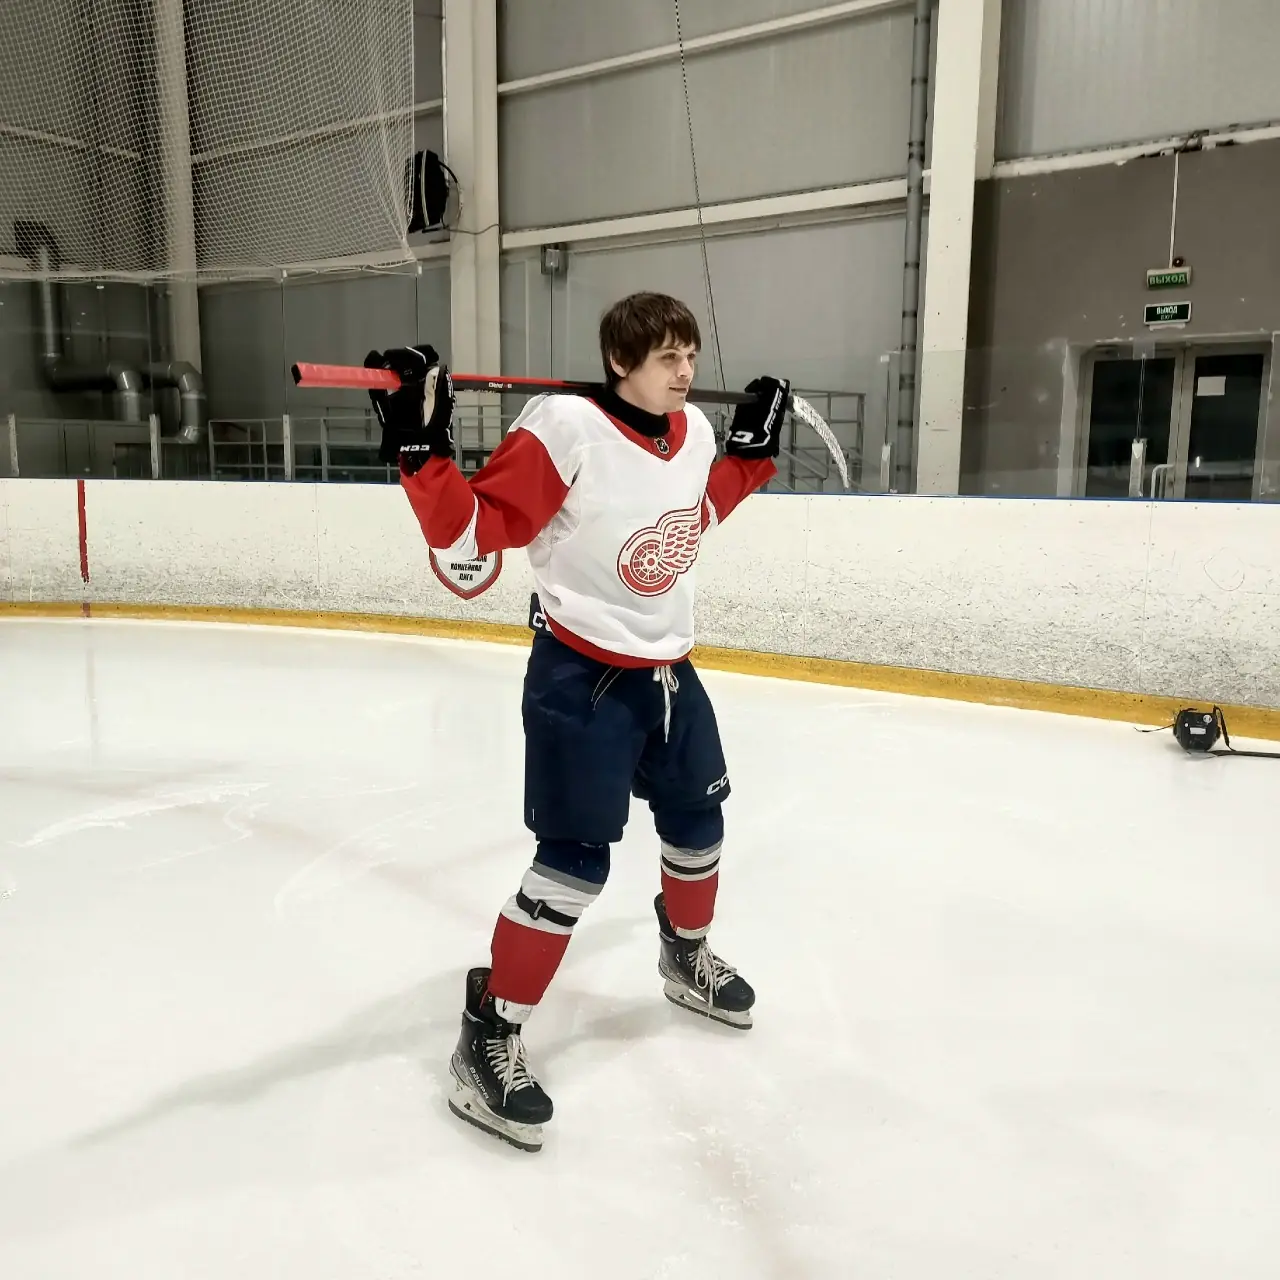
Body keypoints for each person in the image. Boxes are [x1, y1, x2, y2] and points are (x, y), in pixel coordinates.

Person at [364, 292, 788, 1152]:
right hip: (581, 678)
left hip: (668, 673)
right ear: (621, 362)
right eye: (668, 358)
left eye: (691, 356)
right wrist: (422, 451)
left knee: (699, 824)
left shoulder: (692, 433)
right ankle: (488, 1034)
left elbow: (688, 520)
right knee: (573, 867)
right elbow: (476, 533)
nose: (687, 372)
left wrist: (752, 455)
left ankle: (685, 956)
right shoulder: (565, 430)